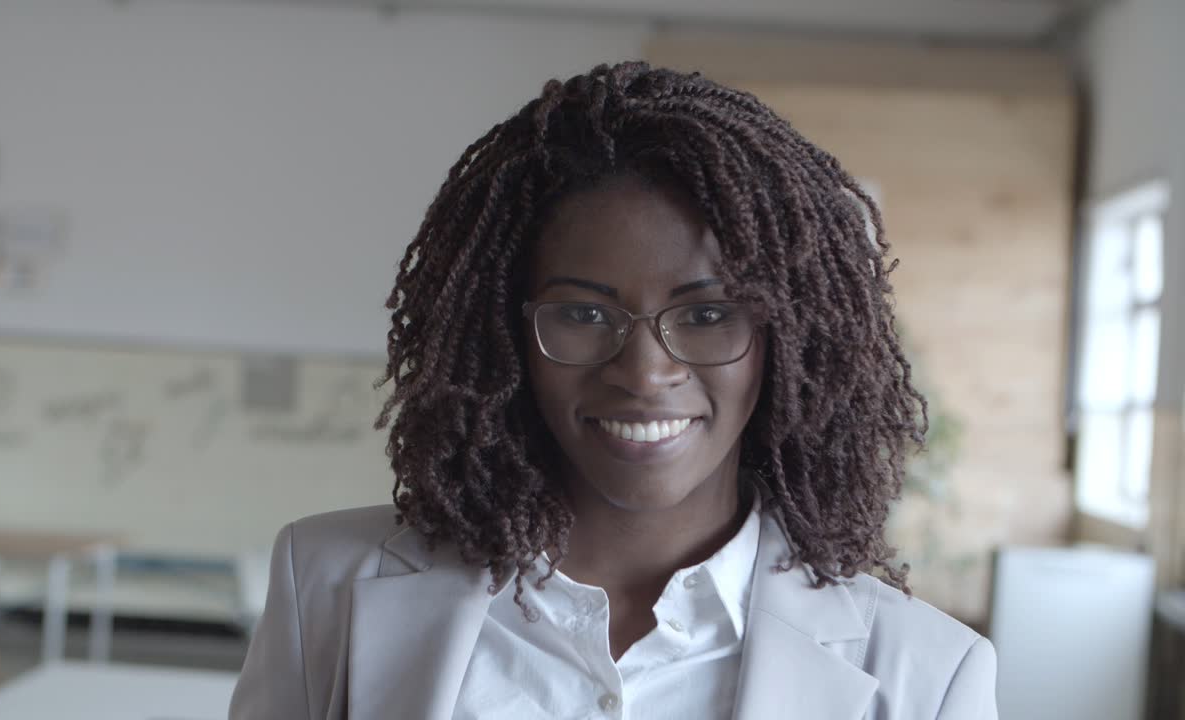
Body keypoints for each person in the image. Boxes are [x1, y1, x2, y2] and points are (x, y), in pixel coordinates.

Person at [229, 61, 997, 720]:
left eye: (706, 314)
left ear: (787, 339)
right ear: (500, 334)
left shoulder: (927, 677)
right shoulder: (325, 584)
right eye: (585, 313)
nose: (643, 370)